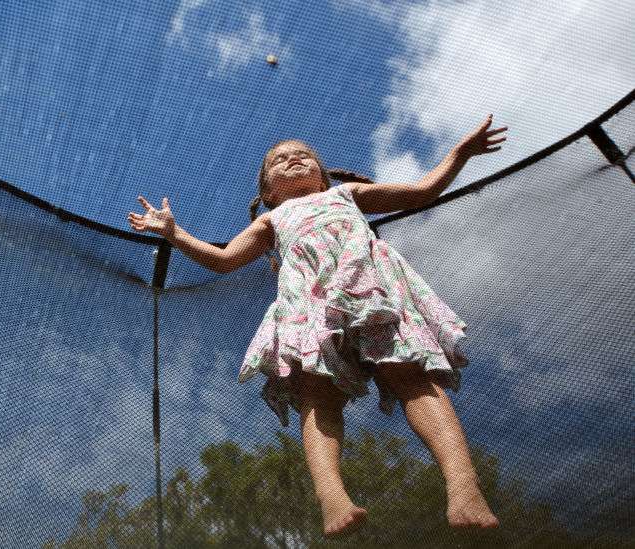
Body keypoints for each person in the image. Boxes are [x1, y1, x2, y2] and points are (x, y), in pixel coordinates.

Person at [127, 114, 507, 536]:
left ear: (322, 177)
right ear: (268, 191)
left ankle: (463, 484)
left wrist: (459, 154)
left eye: (302, 156)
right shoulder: (270, 221)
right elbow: (223, 259)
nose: (292, 160)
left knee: (410, 374)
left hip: (367, 288)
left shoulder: (346, 194)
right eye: (280, 160)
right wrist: (174, 233)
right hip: (308, 304)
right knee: (316, 394)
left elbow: (421, 192)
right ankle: (332, 498)